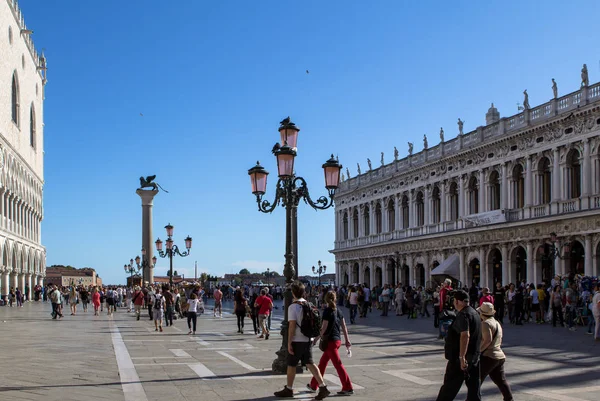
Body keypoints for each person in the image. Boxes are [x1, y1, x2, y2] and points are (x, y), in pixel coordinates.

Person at [274, 281, 330, 400]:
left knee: (291, 364)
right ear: (304, 292)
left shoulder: (293, 307)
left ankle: (289, 389)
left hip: (297, 340)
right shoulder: (310, 304)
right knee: (310, 363)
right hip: (308, 339)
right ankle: (323, 387)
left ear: (293, 293)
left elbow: (292, 327)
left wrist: (289, 343)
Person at [436, 290, 481, 401]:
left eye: (454, 301)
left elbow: (465, 335)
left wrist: (462, 357)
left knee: (449, 389)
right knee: (474, 390)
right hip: (474, 358)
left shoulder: (463, 315)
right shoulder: (475, 313)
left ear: (457, 301)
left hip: (460, 360)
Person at [307, 291, 354, 396]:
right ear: (335, 298)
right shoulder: (339, 311)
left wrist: (316, 339)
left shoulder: (327, 311)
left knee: (338, 365)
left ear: (325, 299)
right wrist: (347, 340)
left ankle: (348, 387)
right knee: (322, 363)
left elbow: (323, 328)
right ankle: (313, 385)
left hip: (330, 342)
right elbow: (344, 327)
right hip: (337, 341)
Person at [477, 302, 514, 401]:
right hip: (499, 355)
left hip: (489, 356)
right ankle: (509, 399)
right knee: (501, 381)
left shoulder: (485, 324)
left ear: (482, 313)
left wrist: (478, 350)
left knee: (476, 381)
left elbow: (487, 340)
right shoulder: (496, 322)